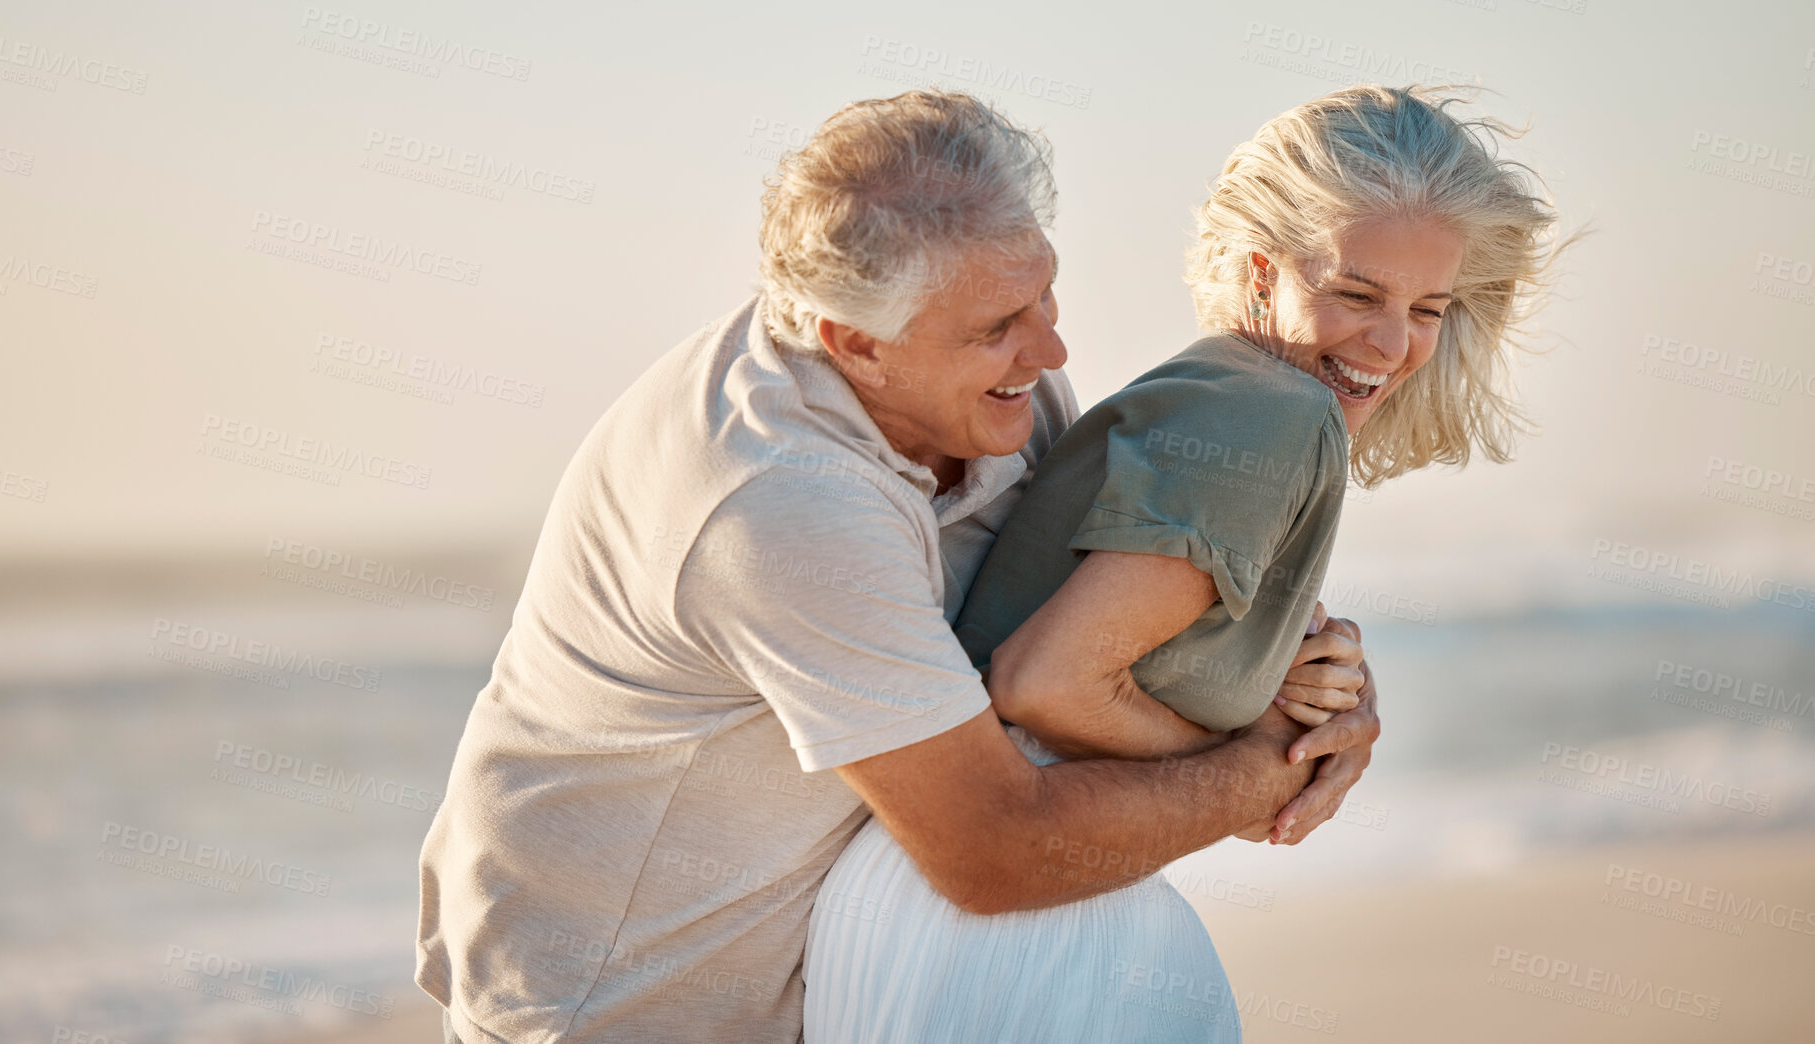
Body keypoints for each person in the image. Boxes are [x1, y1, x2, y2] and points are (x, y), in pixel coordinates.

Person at [415, 89, 1374, 1044]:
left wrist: (1311, 687)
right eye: (997, 324)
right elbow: (996, 850)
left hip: (828, 973)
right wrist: (1260, 776)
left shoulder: (1003, 393)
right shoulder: (780, 501)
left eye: (1045, 293)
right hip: (619, 1002)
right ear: (855, 344)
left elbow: (1120, 622)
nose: (1049, 349)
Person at [803, 84, 1564, 1042]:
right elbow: (1045, 683)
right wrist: (1251, 770)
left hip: (922, 907)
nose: (1391, 342)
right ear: (1261, 274)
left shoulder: (1219, 393)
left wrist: (1298, 673)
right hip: (1027, 915)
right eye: (1357, 294)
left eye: (1429, 307)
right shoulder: (1276, 418)